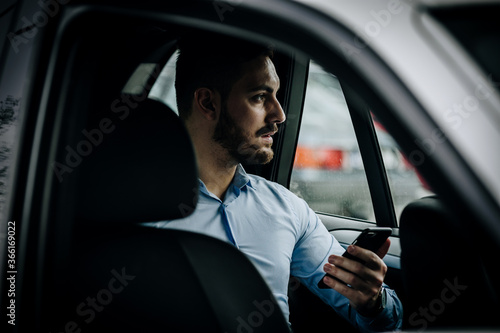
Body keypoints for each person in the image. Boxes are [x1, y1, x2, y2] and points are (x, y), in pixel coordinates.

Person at [148, 33, 403, 332]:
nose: (279, 114)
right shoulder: (139, 214)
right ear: (208, 103)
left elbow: (378, 317)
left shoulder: (287, 208)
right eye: (259, 96)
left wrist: (372, 301)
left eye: (276, 95)